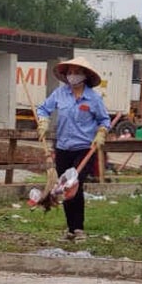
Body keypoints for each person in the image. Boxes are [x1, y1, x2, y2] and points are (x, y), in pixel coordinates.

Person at [36, 57, 110, 242]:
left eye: (76, 72)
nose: (72, 75)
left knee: (73, 185)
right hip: (63, 148)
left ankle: (78, 229)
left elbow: (104, 120)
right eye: (69, 72)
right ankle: (71, 229)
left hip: (84, 148)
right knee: (64, 188)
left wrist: (101, 132)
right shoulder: (60, 94)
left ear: (85, 76)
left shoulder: (93, 98)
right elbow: (43, 109)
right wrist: (43, 122)